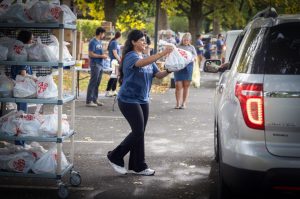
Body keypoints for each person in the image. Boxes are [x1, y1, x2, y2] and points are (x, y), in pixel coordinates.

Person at [107, 29, 173, 176]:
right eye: (142, 40)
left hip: (143, 99)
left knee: (140, 133)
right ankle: (114, 156)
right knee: (137, 131)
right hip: (128, 100)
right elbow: (141, 63)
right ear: (133, 42)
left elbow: (159, 75)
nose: (144, 43)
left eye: (145, 41)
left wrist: (170, 69)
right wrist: (162, 53)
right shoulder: (131, 56)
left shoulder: (146, 57)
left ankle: (139, 166)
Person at [11, 30, 34, 112]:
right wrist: (33, 78)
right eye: (31, 39)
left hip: (16, 84)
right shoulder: (23, 54)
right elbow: (23, 73)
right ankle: (21, 121)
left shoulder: (17, 51)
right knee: (22, 110)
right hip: (22, 86)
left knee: (20, 106)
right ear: (26, 40)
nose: (32, 41)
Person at [174, 32, 197, 109]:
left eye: (187, 40)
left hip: (188, 67)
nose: (186, 41)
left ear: (189, 40)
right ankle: (177, 103)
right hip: (179, 67)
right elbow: (174, 55)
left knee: (186, 86)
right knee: (178, 85)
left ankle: (184, 103)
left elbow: (195, 56)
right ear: (182, 39)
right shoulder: (177, 46)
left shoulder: (192, 48)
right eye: (184, 40)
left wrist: (192, 58)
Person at [86, 27, 108, 107]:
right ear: (100, 33)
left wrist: (104, 54)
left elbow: (99, 52)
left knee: (97, 83)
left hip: (101, 64)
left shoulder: (99, 42)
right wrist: (101, 56)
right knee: (93, 82)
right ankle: (89, 101)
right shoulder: (93, 42)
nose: (104, 35)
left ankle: (95, 99)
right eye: (103, 33)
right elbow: (91, 54)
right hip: (95, 64)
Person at [105, 31, 121, 97]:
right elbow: (115, 53)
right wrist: (120, 60)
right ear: (120, 36)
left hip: (115, 61)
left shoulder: (115, 42)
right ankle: (107, 91)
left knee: (115, 77)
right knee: (113, 77)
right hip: (114, 61)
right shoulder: (114, 42)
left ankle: (113, 90)